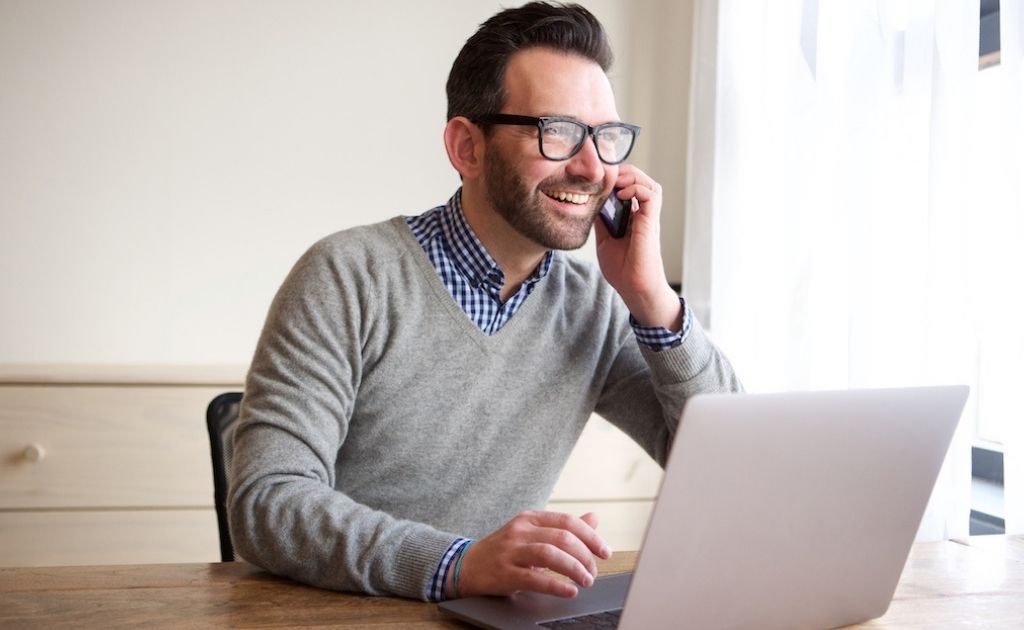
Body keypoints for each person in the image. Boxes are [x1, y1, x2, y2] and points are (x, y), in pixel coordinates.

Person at [228, 1, 741, 603]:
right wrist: (460, 563)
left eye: (605, 137)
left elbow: (727, 467)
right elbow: (268, 502)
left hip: (493, 621)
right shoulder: (348, 275)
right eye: (558, 133)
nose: (591, 166)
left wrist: (653, 301)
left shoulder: (594, 309)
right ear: (467, 148)